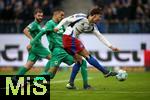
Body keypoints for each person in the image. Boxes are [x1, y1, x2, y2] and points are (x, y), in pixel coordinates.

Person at [54, 7, 120, 85]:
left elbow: (100, 36)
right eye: (99, 17)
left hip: (67, 41)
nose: (100, 19)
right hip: (69, 38)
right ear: (94, 15)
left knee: (79, 61)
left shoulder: (93, 26)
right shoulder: (80, 17)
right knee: (88, 56)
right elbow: (66, 19)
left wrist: (111, 47)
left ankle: (70, 83)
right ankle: (105, 72)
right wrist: (58, 26)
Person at [30, 8, 91, 89]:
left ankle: (81, 85)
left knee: (82, 62)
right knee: (50, 75)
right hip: (57, 51)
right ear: (55, 14)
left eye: (63, 15)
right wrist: (32, 43)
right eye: (61, 15)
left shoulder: (61, 25)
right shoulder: (50, 24)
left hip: (65, 51)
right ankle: (29, 82)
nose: (63, 17)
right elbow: (41, 33)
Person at [16, 8, 51, 76]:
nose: (41, 17)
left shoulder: (37, 25)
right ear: (35, 15)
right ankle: (42, 76)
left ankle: (15, 79)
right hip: (38, 47)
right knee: (53, 58)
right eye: (39, 15)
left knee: (28, 65)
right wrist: (32, 39)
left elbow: (38, 34)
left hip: (34, 47)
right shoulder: (34, 24)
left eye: (41, 16)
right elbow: (25, 30)